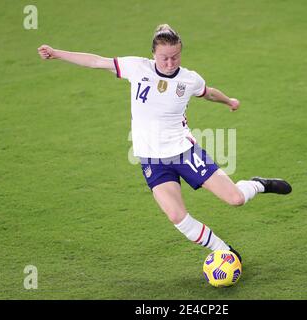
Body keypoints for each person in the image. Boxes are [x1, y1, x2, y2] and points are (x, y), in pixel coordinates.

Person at [37, 24, 291, 262]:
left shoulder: (189, 79)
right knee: (176, 216)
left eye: (175, 57)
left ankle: (258, 185)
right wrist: (57, 53)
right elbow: (95, 61)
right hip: (151, 159)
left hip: (183, 151)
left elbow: (208, 92)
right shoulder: (137, 67)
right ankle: (225, 252)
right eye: (164, 58)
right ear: (153, 55)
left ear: (180, 52)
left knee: (235, 199)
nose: (170, 63)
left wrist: (229, 101)